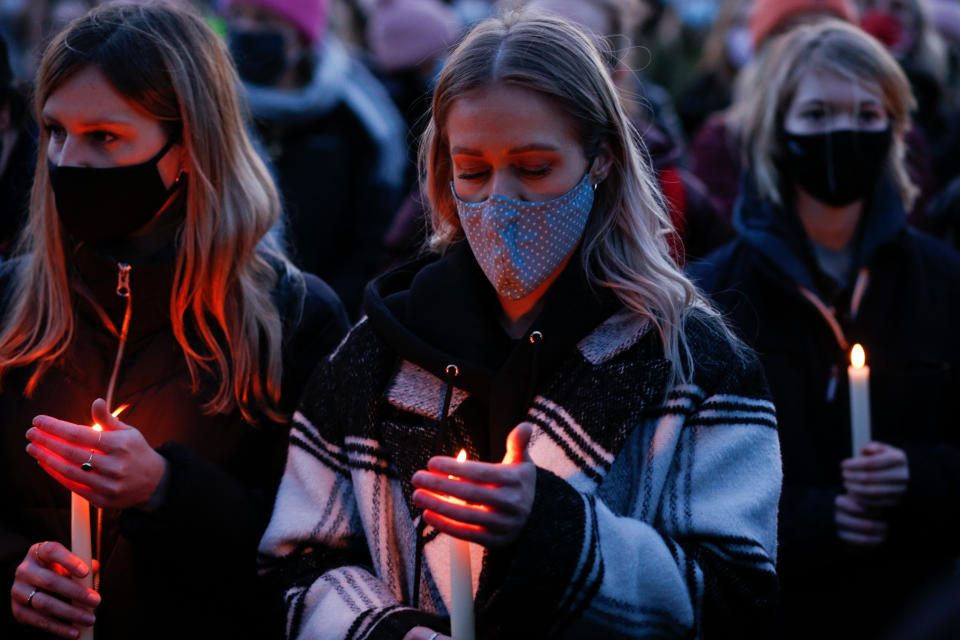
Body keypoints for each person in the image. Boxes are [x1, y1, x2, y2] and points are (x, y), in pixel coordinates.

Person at [258, 11, 781, 640]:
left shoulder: (690, 359)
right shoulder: (371, 357)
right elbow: (297, 566)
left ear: (602, 160)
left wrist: (555, 530)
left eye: (534, 169)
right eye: (473, 172)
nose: (501, 201)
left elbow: (736, 596)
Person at [3, 4, 349, 639]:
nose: (67, 161)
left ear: (188, 145)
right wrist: (14, 576)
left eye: (104, 137)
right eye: (54, 131)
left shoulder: (293, 320)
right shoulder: (11, 305)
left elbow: (321, 561)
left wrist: (166, 489)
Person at [687, 20, 960, 640]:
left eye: (869, 113)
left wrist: (920, 475)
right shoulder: (712, 298)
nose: (846, 132)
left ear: (894, 131)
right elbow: (691, 486)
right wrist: (814, 518)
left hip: (923, 600)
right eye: (817, 114)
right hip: (778, 609)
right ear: (775, 131)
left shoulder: (945, 282)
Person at [221, 0, 407, 316]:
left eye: (265, 19)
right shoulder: (214, 111)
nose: (247, 29)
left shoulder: (355, 120)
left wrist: (327, 312)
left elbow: (374, 236)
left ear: (302, 38)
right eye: (238, 15)